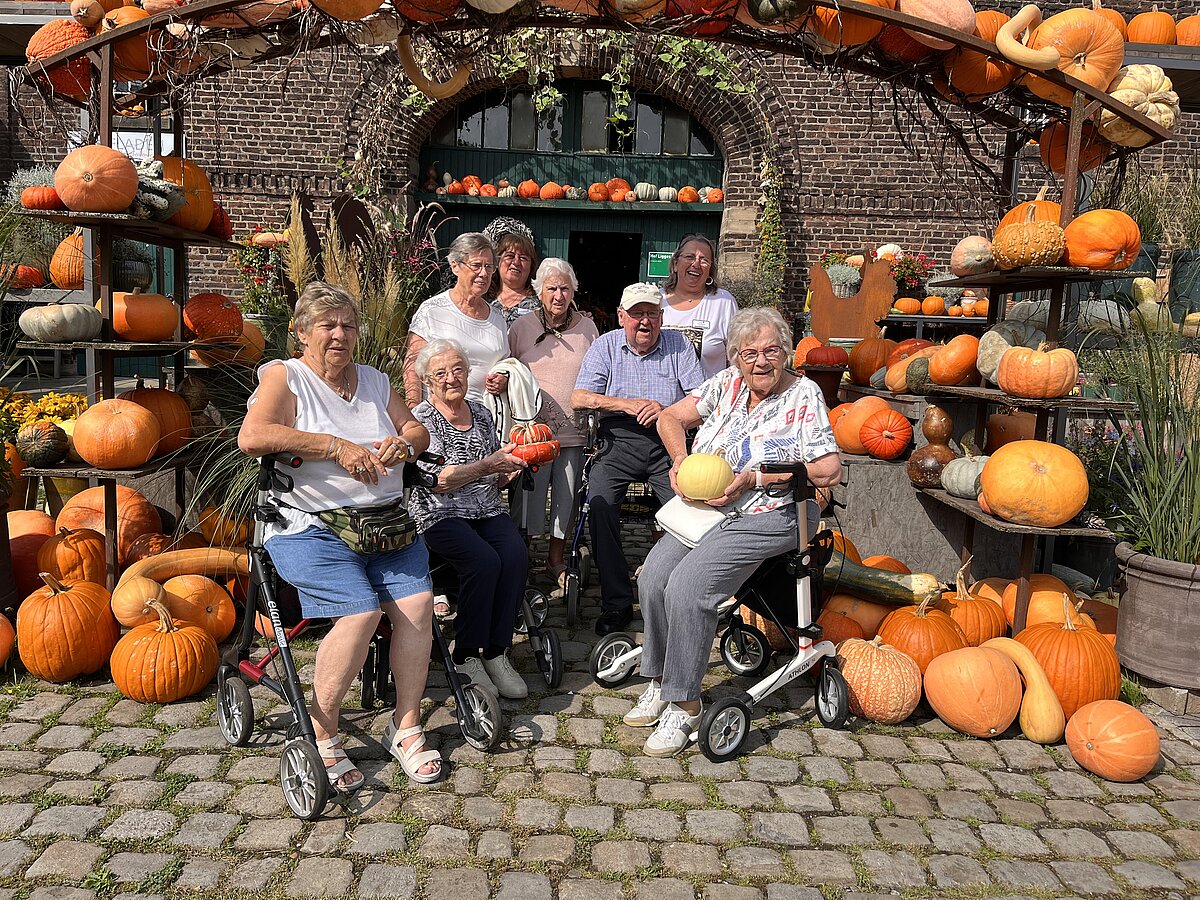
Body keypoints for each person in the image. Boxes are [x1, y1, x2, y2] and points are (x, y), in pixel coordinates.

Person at [238, 282, 442, 787]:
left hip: (383, 525)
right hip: (309, 527)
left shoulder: (374, 380)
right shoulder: (286, 378)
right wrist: (333, 445)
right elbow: (253, 436)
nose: (339, 334)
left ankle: (407, 725)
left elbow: (418, 431)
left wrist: (403, 444)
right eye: (327, 325)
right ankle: (322, 731)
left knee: (417, 608)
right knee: (361, 611)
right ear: (301, 333)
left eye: (348, 325)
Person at [623, 307, 843, 758]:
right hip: (705, 510)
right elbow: (669, 418)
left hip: (771, 514)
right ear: (737, 357)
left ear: (785, 351)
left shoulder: (804, 395)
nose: (760, 362)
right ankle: (662, 680)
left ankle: (685, 706)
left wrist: (756, 478)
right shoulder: (725, 383)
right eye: (749, 354)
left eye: (770, 351)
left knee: (688, 588)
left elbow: (828, 470)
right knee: (652, 578)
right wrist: (680, 461)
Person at [571, 282, 705, 636]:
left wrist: (666, 410)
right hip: (618, 439)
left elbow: (702, 398)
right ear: (622, 317)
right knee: (599, 504)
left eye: (651, 313)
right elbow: (580, 397)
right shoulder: (606, 345)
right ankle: (616, 602)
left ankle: (674, 590)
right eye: (636, 314)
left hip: (668, 439)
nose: (644, 321)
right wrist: (625, 403)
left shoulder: (678, 345)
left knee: (688, 507)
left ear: (661, 316)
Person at [410, 339, 532, 700]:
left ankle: (496, 651)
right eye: (441, 373)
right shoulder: (420, 420)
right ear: (428, 381)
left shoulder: (480, 412)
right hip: (438, 513)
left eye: (458, 369)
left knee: (515, 555)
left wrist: (509, 467)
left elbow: (494, 469)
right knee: (483, 561)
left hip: (486, 507)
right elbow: (439, 481)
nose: (451, 378)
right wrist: (488, 466)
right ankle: (465, 655)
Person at [509, 258, 600, 587]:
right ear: (539, 291)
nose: (558, 295)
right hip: (532, 433)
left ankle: (556, 561)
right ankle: (523, 559)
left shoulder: (588, 328)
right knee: (527, 500)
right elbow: (506, 369)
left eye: (564, 288)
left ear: (573, 291)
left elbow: (598, 371)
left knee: (567, 498)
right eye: (551, 288)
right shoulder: (521, 328)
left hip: (573, 433)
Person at [404, 232, 509, 404]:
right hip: (441, 416)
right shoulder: (432, 311)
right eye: (476, 265)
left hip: (488, 420)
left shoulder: (498, 319)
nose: (484, 273)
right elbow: (412, 365)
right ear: (455, 266)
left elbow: (505, 365)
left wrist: (504, 380)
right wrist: (413, 410)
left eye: (489, 267)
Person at [660, 233, 739, 378]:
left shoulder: (724, 302)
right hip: (660, 397)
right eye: (689, 257)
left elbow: (737, 357)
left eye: (704, 260)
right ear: (676, 264)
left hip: (707, 398)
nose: (696, 264)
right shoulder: (656, 300)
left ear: (710, 269)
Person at [486, 225, 541, 326]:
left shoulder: (540, 305)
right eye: (510, 256)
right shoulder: (483, 299)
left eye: (523, 258)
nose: (516, 262)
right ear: (498, 261)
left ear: (531, 266)